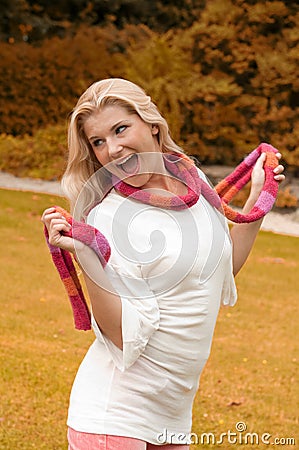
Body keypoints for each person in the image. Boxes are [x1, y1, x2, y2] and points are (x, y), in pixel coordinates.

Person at [42, 78, 285, 450]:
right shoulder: (110, 216)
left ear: (152, 123)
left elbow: (215, 273)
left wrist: (257, 196)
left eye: (120, 129)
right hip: (116, 417)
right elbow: (121, 337)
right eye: (98, 142)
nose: (114, 148)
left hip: (172, 419)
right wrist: (87, 253)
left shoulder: (195, 183)